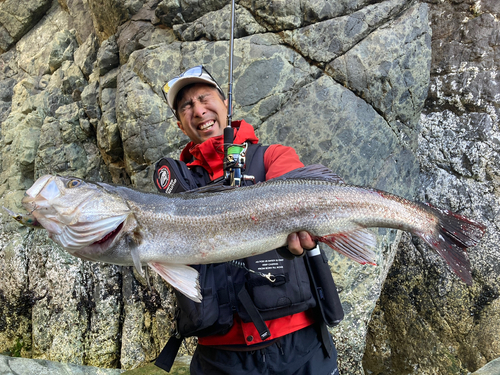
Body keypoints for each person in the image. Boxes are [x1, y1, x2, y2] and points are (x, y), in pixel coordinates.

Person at [154, 65, 341, 375]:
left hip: (298, 347)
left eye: (205, 98)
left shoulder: (273, 157)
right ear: (179, 124)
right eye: (187, 106)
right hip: (219, 358)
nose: (199, 110)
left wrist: (303, 229)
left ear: (225, 104)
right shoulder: (175, 186)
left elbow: (301, 205)